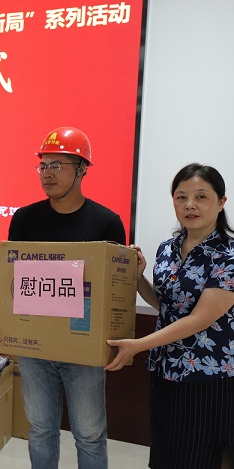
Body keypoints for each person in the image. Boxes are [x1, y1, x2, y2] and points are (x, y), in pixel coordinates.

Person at [0, 126, 126, 469]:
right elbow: (13, 279)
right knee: (40, 429)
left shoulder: (106, 222)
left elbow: (114, 293)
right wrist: (1, 321)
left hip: (83, 347)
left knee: (90, 434)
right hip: (35, 346)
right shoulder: (25, 218)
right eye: (43, 165)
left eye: (57, 165)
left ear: (81, 170)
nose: (47, 173)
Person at [106, 164, 234, 469]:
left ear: (221, 202)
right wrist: (138, 277)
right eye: (181, 197)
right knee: (167, 454)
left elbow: (199, 319)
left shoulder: (228, 255)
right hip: (165, 369)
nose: (190, 205)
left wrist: (139, 345)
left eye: (201, 196)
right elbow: (167, 305)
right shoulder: (167, 248)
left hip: (209, 375)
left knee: (200, 458)